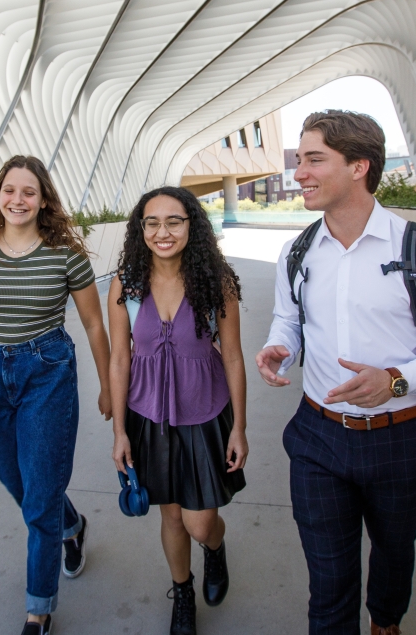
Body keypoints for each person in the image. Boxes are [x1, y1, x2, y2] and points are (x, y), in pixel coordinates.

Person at [255, 111, 416, 635]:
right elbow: (289, 320)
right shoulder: (297, 251)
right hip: (317, 437)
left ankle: (386, 622)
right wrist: (277, 349)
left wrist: (396, 380)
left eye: (314, 160)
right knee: (329, 585)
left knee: (395, 552)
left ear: (360, 165)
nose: (299, 174)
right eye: (299, 160)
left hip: (400, 439)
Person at [0, 155, 112, 635]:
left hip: (48, 371)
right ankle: (71, 525)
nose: (18, 199)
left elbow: (95, 324)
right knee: (17, 481)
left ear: (42, 199)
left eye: (29, 192)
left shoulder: (63, 252)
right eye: (10, 190)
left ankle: (38, 610)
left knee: (38, 501)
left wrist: (107, 386)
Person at [107, 187, 249, 635]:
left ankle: (215, 548)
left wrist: (239, 428)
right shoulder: (126, 282)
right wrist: (120, 432)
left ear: (192, 225)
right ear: (140, 229)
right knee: (171, 516)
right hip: (149, 416)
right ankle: (182, 591)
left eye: (174, 221)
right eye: (152, 222)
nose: (162, 232)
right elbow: (119, 359)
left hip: (205, 413)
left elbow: (232, 357)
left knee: (200, 521)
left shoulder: (215, 280)